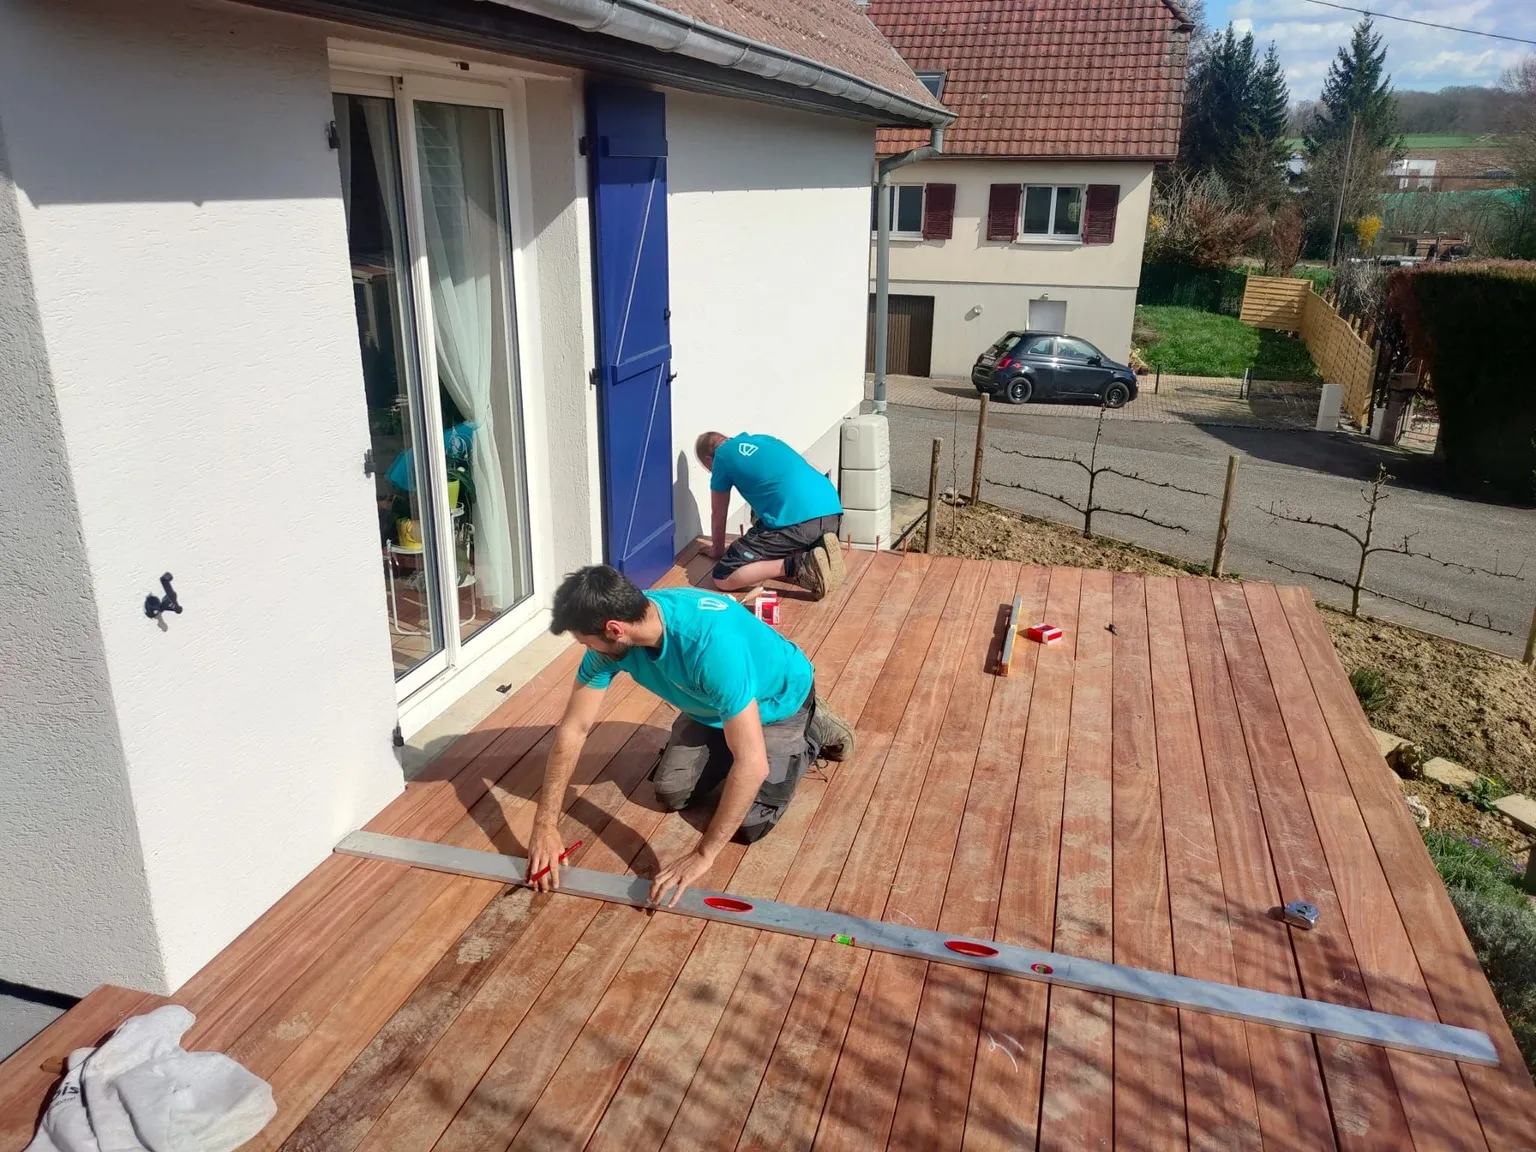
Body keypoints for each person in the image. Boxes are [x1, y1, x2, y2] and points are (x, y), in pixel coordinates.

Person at [528, 565, 855, 906]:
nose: (587, 649)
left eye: (586, 642)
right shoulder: (619, 631)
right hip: (710, 705)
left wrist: (702, 855)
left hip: (778, 701)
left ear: (614, 630)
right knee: (671, 791)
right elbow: (574, 729)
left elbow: (752, 764)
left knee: (748, 823)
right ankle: (735, 733)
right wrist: (545, 825)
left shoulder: (708, 646)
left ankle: (814, 724)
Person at [694, 430, 845, 601]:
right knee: (759, 515)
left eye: (709, 469)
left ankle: (801, 565)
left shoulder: (721, 457)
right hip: (832, 511)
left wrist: (717, 550)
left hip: (799, 522)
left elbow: (718, 515)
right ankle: (817, 549)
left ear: (709, 459)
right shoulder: (763, 439)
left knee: (723, 576)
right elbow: (808, 467)